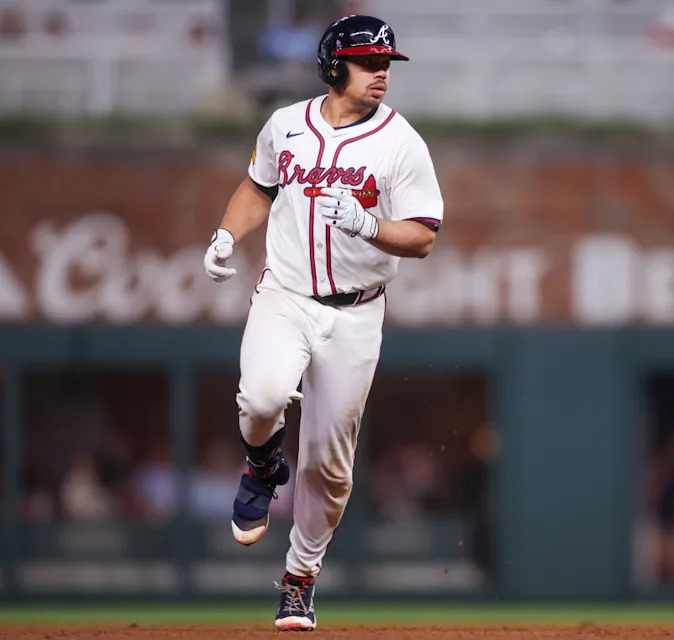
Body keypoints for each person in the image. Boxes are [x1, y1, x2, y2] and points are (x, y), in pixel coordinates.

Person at [202, 14, 443, 631]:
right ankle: (261, 466)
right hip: (285, 292)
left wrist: (369, 226)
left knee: (329, 467)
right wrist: (227, 234)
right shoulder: (286, 124)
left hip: (357, 310)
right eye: (368, 61)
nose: (381, 72)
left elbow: (421, 238)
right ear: (335, 65)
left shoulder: (401, 142)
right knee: (261, 398)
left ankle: (300, 577)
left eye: (386, 63)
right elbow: (258, 188)